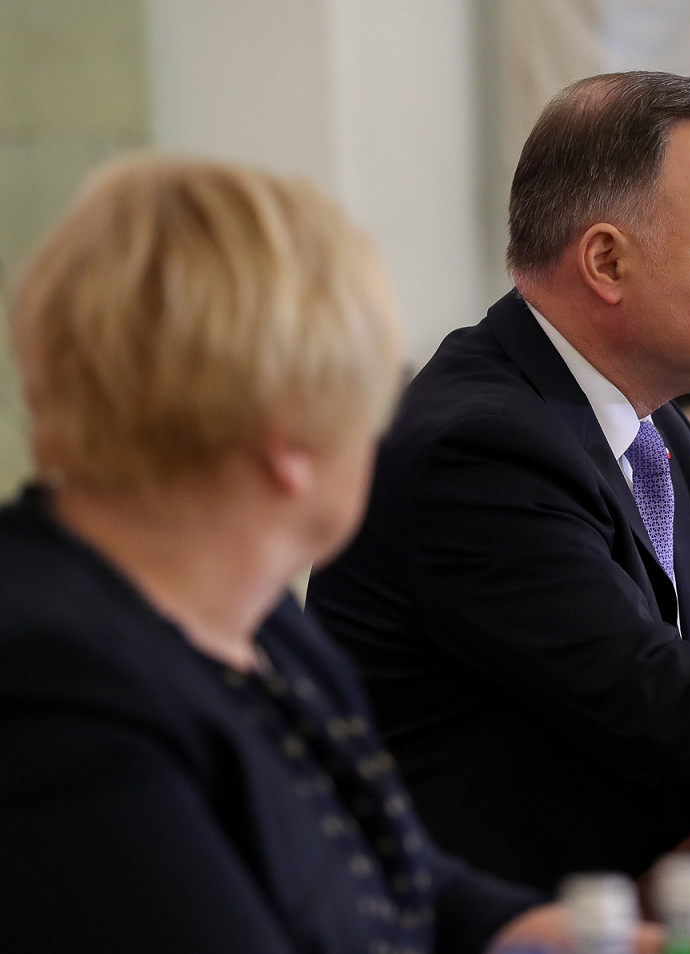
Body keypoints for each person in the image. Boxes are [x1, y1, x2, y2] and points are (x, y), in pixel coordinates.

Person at [307, 72, 690, 890]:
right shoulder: (481, 449)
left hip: (659, 882)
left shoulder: (644, 416)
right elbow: (665, 708)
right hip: (525, 918)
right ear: (606, 261)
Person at [0, 156, 563, 952]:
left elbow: (388, 875)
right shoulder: (55, 693)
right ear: (289, 439)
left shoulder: (253, 611)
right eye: (379, 393)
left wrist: (570, 933)